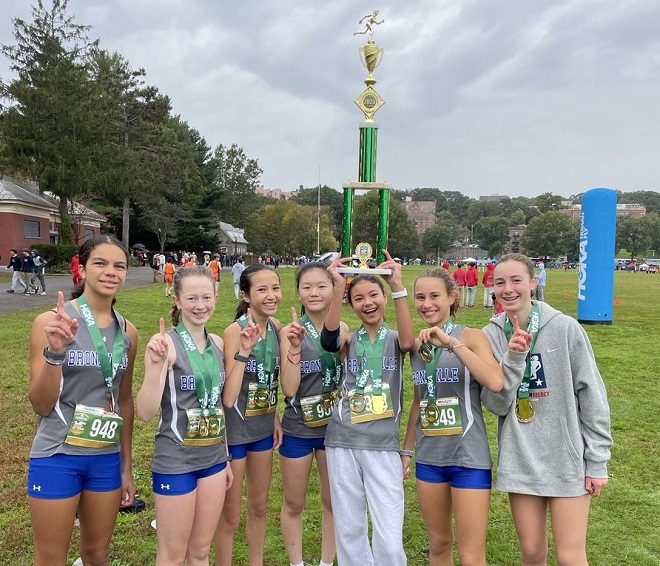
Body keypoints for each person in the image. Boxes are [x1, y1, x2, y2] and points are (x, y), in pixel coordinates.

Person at [481, 253, 612, 566]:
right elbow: (496, 404)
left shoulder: (565, 328)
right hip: (521, 457)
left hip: (566, 458)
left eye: (516, 280)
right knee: (531, 553)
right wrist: (513, 359)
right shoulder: (490, 336)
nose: (508, 289)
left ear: (533, 282)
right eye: (500, 282)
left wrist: (597, 462)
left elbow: (592, 396)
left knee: (570, 557)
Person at [26, 234, 137, 565]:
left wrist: (126, 467)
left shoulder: (128, 332)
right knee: (51, 558)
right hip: (58, 454)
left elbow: (124, 401)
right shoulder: (50, 323)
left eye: (119, 266)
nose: (110, 272)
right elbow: (40, 404)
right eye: (100, 263)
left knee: (97, 554)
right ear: (83, 269)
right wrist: (55, 353)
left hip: (105, 458)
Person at [401, 268, 503, 565]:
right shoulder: (417, 346)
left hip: (468, 458)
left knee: (471, 555)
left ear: (451, 297)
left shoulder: (471, 337)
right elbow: (419, 401)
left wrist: (452, 345)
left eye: (434, 296)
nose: (426, 304)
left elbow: (495, 381)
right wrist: (407, 452)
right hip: (430, 459)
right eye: (420, 297)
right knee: (439, 544)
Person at [321, 251, 415, 566]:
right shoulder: (349, 339)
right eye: (358, 298)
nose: (368, 302)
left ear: (384, 298)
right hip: (343, 439)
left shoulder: (395, 339)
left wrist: (398, 287)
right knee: (349, 528)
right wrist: (338, 286)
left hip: (382, 444)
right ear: (351, 305)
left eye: (374, 294)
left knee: (389, 535)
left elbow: (408, 343)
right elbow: (329, 341)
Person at [137, 266, 235, 564]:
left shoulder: (218, 343)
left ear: (216, 298)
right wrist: (156, 366)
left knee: (201, 550)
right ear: (177, 300)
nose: (200, 305)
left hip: (213, 461)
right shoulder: (165, 344)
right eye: (191, 298)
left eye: (206, 297)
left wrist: (226, 457)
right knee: (172, 555)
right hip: (176, 461)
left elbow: (217, 405)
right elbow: (145, 411)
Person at [214, 264, 283, 566]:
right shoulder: (234, 331)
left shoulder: (277, 327)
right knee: (230, 515)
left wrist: (275, 416)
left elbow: (269, 378)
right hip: (236, 432)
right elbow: (228, 396)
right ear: (245, 295)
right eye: (262, 290)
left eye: (275, 288)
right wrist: (244, 351)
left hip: (263, 429)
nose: (271, 296)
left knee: (259, 506)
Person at [279, 263, 348, 566]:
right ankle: (297, 563)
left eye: (322, 285)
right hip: (298, 429)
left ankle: (325, 562)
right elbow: (289, 388)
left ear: (334, 290)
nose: (314, 292)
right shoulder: (290, 332)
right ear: (298, 293)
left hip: (335, 430)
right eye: (306, 287)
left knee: (332, 502)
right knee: (294, 503)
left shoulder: (344, 331)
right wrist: (295, 348)